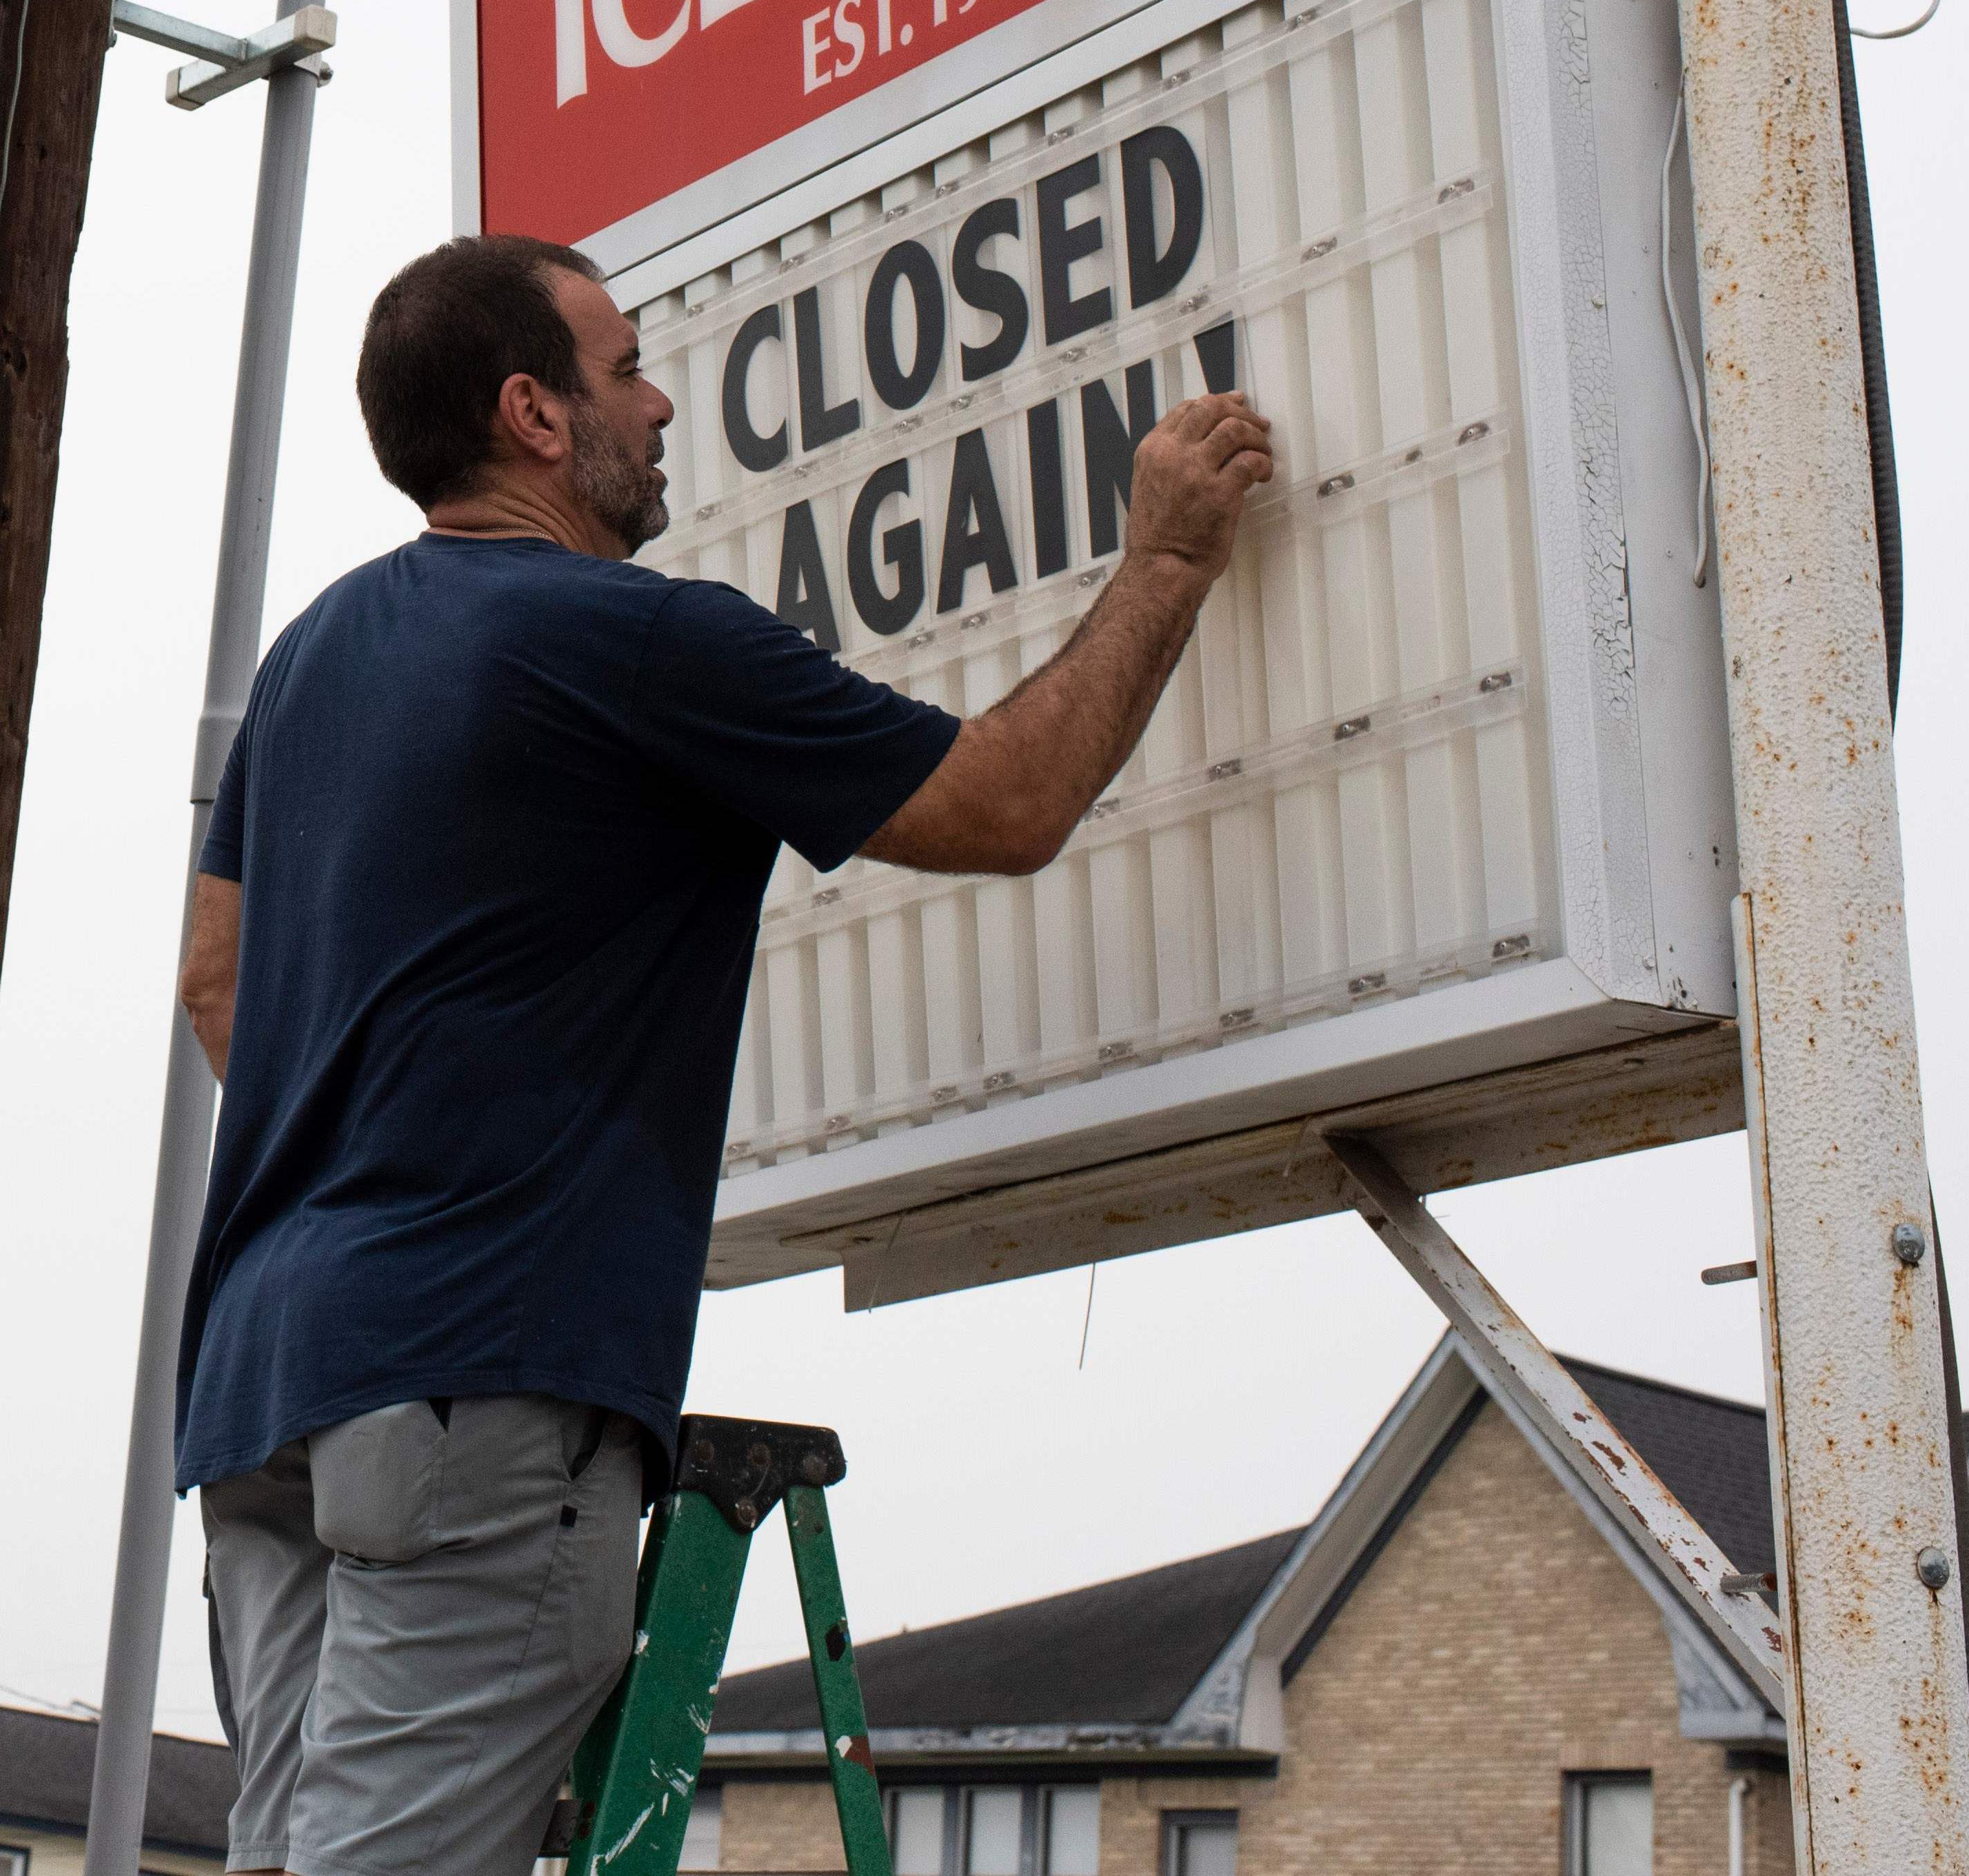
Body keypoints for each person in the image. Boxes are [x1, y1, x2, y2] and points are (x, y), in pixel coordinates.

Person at [172, 232, 1273, 1876]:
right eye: (624, 369)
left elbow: (213, 979)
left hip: (263, 1389)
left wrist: (388, 1124)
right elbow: (1004, 801)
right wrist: (1165, 564)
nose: (661, 397)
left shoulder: (315, 651)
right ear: (535, 415)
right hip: (475, 1375)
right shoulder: (633, 638)